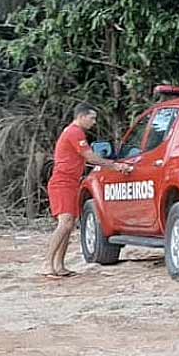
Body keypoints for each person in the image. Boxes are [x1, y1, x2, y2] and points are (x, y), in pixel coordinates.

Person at [44, 103, 132, 278]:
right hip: (62, 182)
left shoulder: (75, 133)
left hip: (71, 182)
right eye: (92, 118)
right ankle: (48, 263)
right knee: (65, 223)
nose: (94, 122)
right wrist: (115, 166)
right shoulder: (75, 132)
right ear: (81, 116)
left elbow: (86, 159)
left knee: (68, 226)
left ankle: (59, 265)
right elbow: (90, 156)